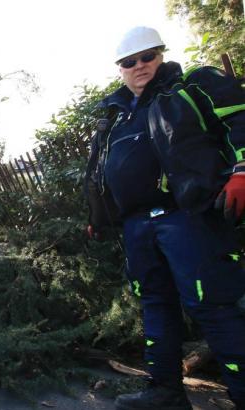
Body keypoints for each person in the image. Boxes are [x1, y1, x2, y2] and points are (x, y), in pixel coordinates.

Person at [85, 26, 245, 409]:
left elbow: (239, 118)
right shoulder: (115, 118)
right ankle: (166, 392)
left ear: (161, 55)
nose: (139, 66)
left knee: (213, 305)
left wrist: (242, 170)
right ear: (119, 69)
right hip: (137, 225)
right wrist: (98, 215)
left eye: (147, 57)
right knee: (155, 304)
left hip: (189, 215)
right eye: (129, 62)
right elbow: (99, 171)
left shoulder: (192, 87)